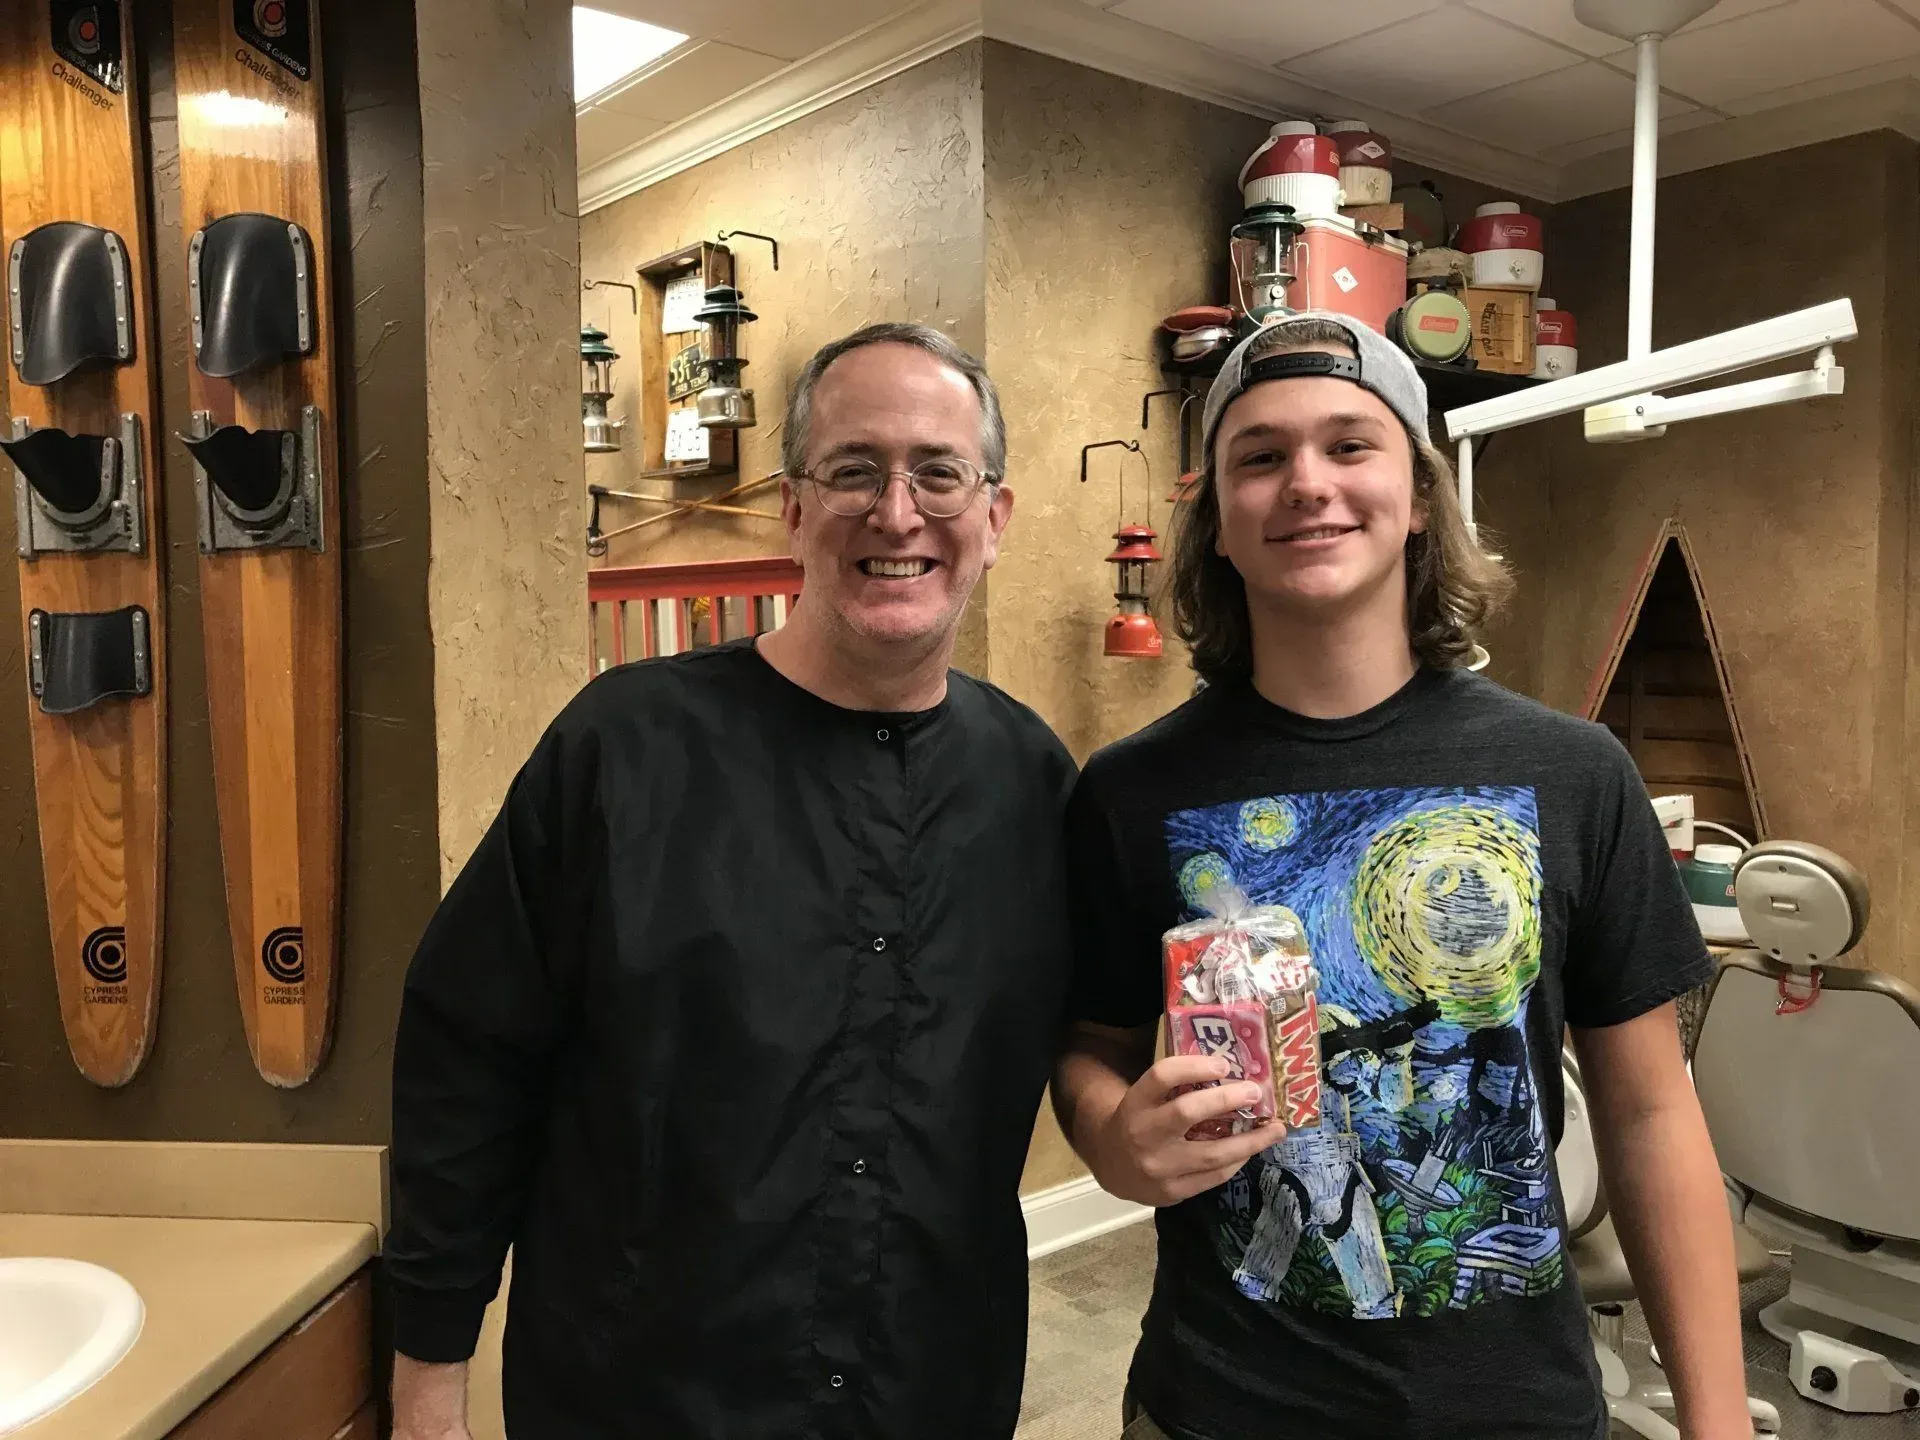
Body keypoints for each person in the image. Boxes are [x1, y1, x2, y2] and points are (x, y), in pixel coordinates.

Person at [1053, 312, 1752, 1440]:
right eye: (1261, 456)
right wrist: (1111, 1139)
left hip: (1515, 1412)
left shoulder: (1572, 775)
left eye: (1349, 445)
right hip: (1220, 1407)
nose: (1307, 484)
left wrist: (1717, 1427)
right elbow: (1091, 1050)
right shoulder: (1130, 793)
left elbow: (1652, 1109)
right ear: (1219, 522)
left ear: (1421, 497)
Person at [385, 322, 1077, 1440]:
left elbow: (1085, 1042)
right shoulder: (625, 748)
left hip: (933, 1390)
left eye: (937, 473)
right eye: (853, 470)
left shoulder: (1034, 781)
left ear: (993, 520)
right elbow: (465, 1067)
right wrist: (428, 1387)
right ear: (794, 511)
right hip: (637, 1399)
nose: (896, 514)